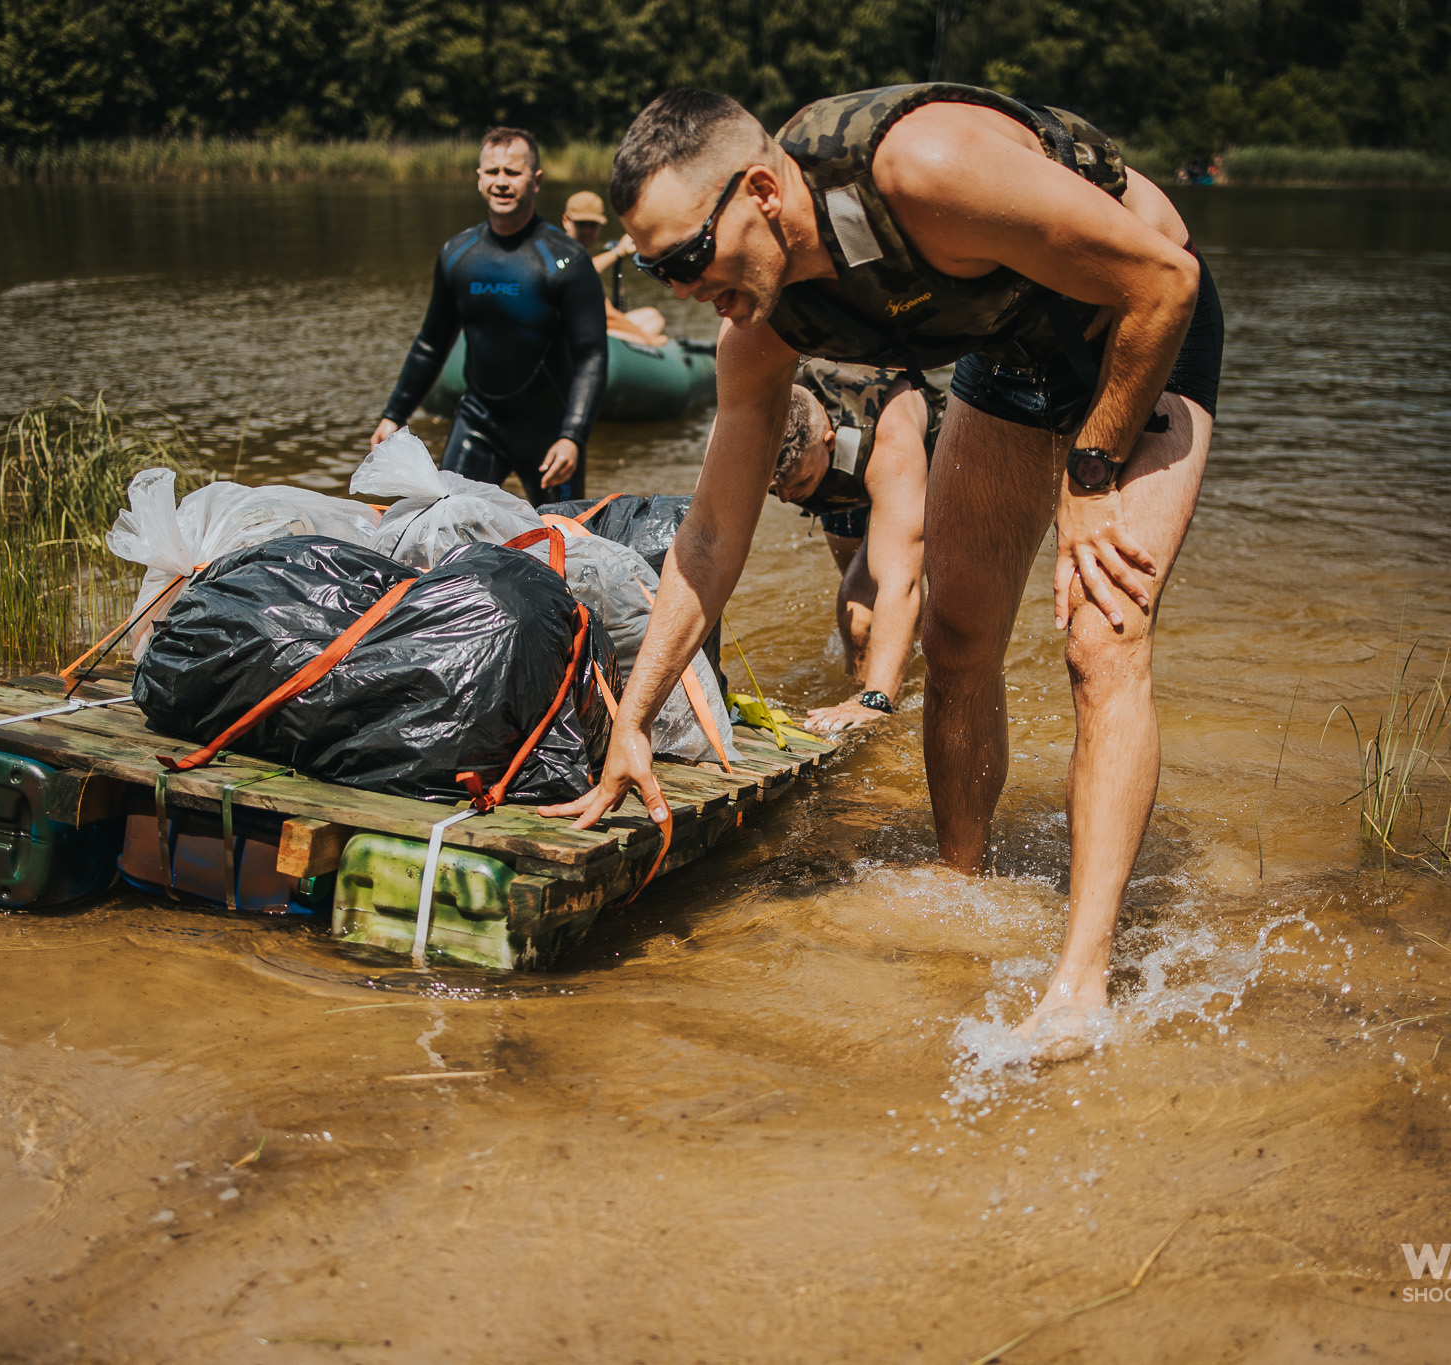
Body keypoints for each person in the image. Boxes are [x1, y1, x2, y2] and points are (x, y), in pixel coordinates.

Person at [541, 85, 1224, 1054]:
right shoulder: (760, 327)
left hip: (1134, 332)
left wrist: (1091, 465)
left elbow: (1163, 280)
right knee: (954, 633)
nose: (679, 289)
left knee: (1096, 634)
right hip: (1014, 346)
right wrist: (633, 723)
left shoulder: (923, 168)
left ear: (764, 190)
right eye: (654, 269)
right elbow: (706, 543)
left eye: (688, 256)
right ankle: (961, 879)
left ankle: (1080, 982)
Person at [371, 127, 606, 506]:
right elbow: (431, 343)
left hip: (549, 431)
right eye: (492, 171)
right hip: (478, 422)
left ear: (536, 180)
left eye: (513, 173)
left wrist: (573, 435)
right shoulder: (458, 254)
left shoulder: (567, 260)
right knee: (446, 530)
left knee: (561, 544)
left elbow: (592, 355)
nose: (501, 182)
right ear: (479, 178)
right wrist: (394, 414)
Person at [771, 358, 943, 733]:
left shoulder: (890, 440)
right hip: (838, 479)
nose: (786, 499)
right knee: (858, 630)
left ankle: (881, 709)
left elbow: (901, 583)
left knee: (868, 611)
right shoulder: (756, 421)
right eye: (776, 489)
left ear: (828, 443)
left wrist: (876, 700)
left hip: (906, 465)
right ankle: (860, 686)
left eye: (797, 485)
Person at [560, 189, 670, 346]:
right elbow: (608, 316)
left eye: (592, 225)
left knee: (653, 317)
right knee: (651, 330)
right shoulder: (561, 253)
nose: (586, 231)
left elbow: (589, 268)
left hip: (589, 327)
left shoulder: (576, 254)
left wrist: (620, 251)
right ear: (566, 221)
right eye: (581, 224)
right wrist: (651, 342)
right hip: (575, 335)